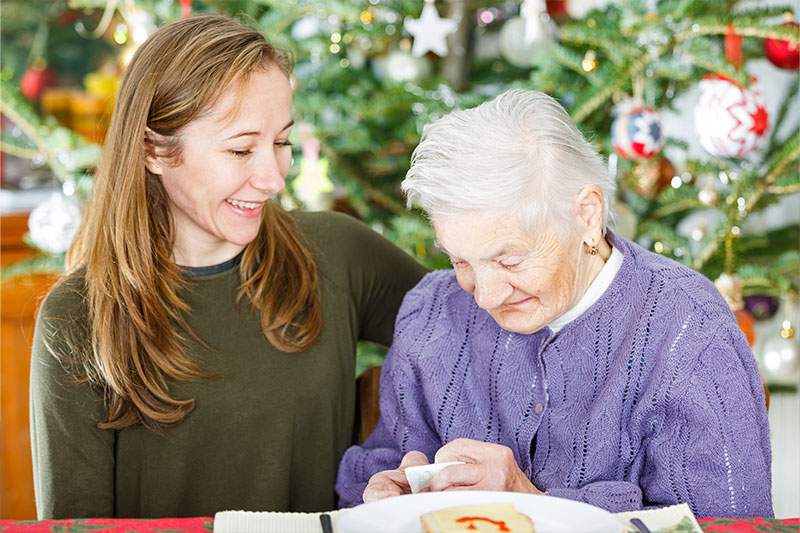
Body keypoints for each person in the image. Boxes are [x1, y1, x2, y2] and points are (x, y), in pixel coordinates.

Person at [29, 14, 427, 519]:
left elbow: (482, 334)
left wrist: (414, 455)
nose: (272, 178)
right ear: (154, 150)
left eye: (281, 143)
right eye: (240, 149)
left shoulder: (339, 254)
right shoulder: (77, 317)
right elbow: (74, 527)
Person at [336, 89, 773, 518]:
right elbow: (375, 468)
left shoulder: (688, 331)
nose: (485, 296)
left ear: (586, 215)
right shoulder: (430, 310)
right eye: (460, 261)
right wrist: (381, 491)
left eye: (509, 259)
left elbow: (726, 526)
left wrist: (532, 503)